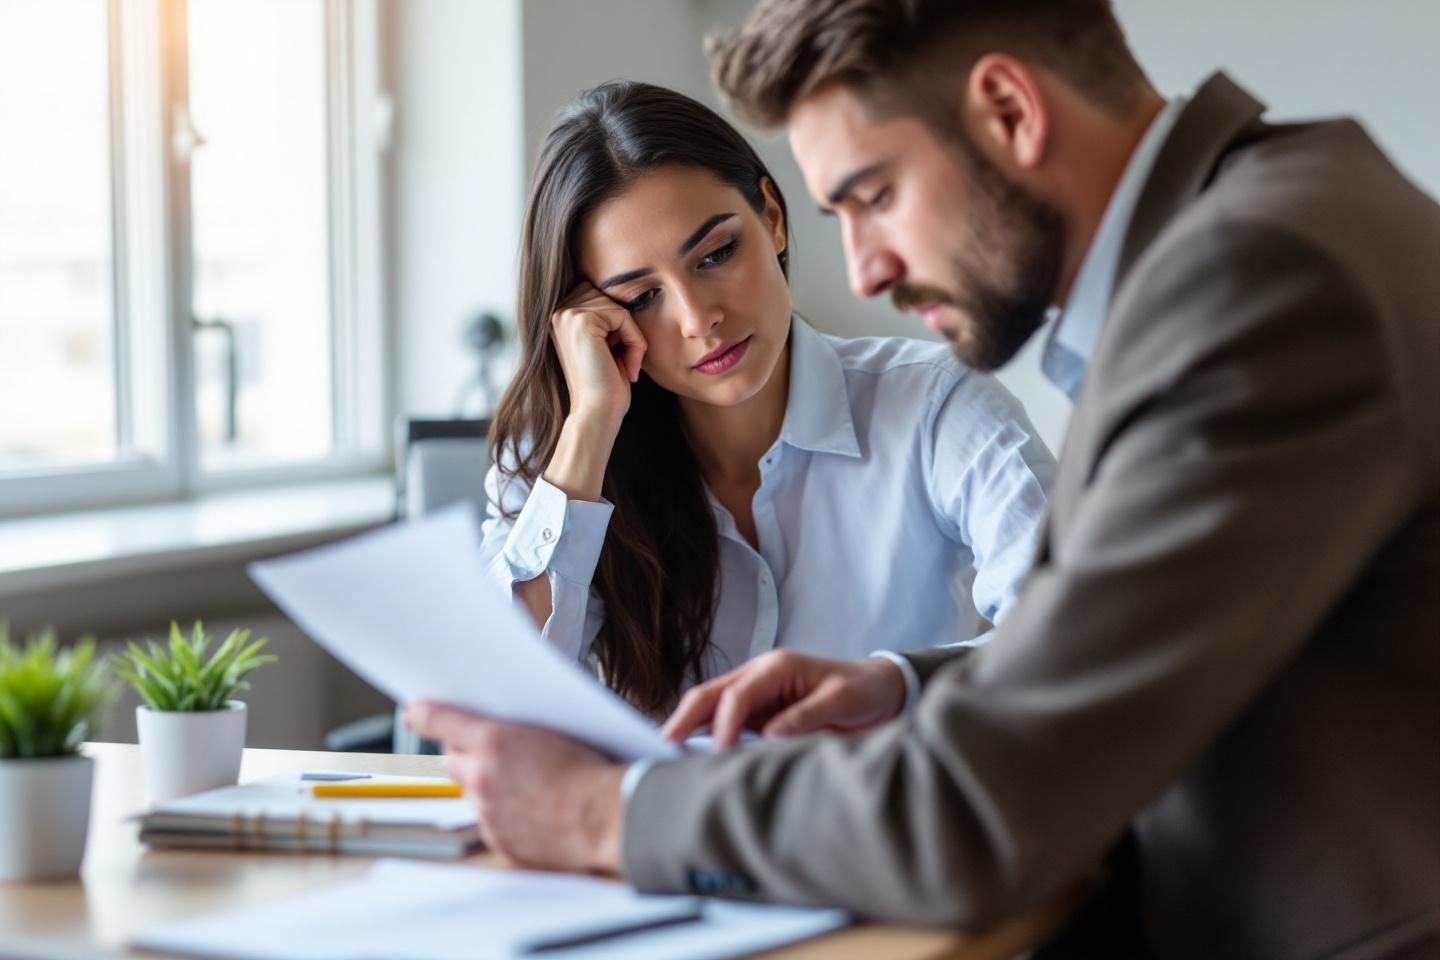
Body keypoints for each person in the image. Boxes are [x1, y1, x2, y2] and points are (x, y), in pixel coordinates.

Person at [407, 2, 1440, 957]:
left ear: (1007, 109)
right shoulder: (1280, 216)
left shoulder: (1252, 286)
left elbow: (995, 795)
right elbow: (1121, 642)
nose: (863, 274)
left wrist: (602, 814)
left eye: (874, 196)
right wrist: (902, 684)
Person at [480, 80, 1053, 718]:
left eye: (716, 253)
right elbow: (499, 700)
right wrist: (590, 425)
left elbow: (1076, 627)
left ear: (773, 218)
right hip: (672, 814)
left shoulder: (935, 403)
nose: (699, 318)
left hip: (879, 807)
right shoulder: (565, 460)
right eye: (641, 297)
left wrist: (900, 684)